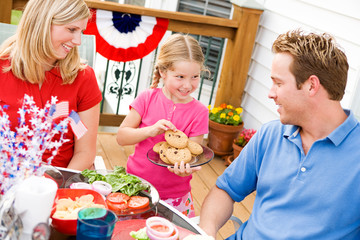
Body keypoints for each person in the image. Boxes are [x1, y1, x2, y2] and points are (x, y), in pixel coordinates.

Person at [199, 29, 360, 239]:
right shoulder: (270, 134)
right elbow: (226, 190)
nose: (270, 93)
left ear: (311, 86)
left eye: (279, 83)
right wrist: (207, 233)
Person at [0, 0, 102, 170]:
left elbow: (84, 151)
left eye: (81, 31)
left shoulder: (84, 78)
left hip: (60, 184)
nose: (78, 41)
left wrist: (58, 186)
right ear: (42, 23)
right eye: (71, 29)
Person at [116, 33, 209, 217]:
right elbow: (121, 137)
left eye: (195, 77)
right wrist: (151, 130)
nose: (187, 85)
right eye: (180, 76)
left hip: (175, 196)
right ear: (163, 72)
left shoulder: (200, 112)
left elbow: (193, 154)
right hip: (136, 186)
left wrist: (185, 170)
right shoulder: (147, 98)